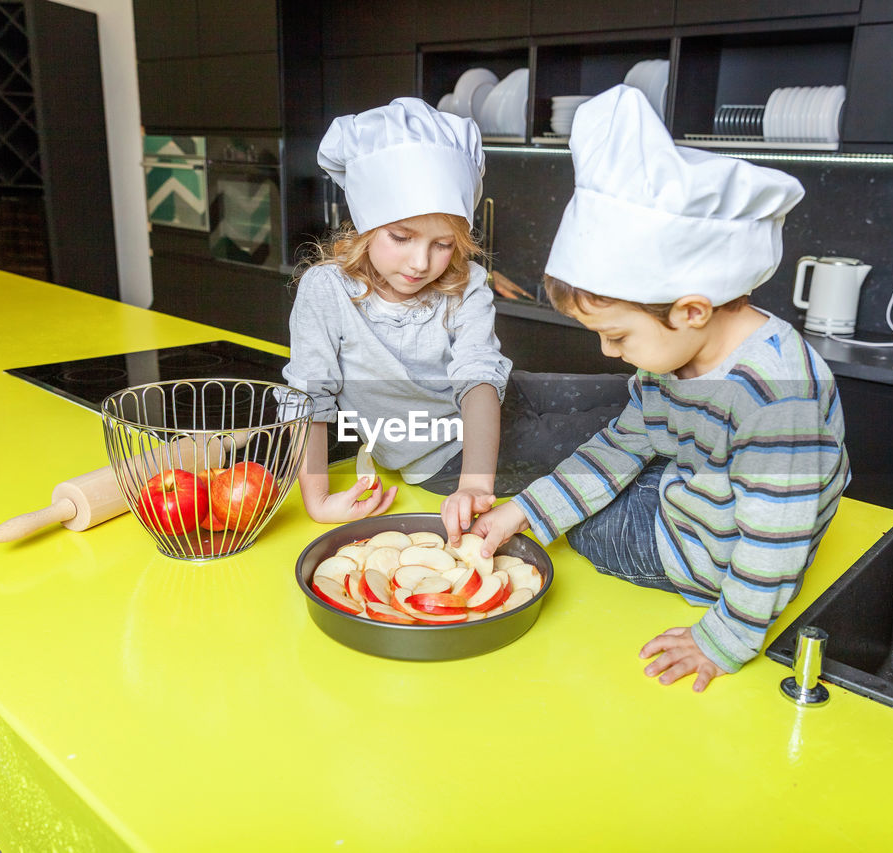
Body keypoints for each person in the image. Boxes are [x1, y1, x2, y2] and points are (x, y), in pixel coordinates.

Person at [472, 85, 851, 693]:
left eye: (618, 335)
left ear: (693, 310)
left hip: (712, 561)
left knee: (588, 525)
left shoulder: (778, 399)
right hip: (707, 505)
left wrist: (721, 638)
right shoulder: (676, 357)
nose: (608, 351)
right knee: (591, 469)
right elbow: (622, 444)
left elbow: (774, 543)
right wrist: (524, 511)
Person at [282, 97, 511, 540]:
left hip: (484, 431)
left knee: (630, 403)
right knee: (616, 446)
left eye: (443, 244)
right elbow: (310, 394)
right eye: (401, 237)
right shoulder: (327, 290)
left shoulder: (468, 283)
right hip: (445, 459)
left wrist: (475, 487)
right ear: (366, 225)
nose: (420, 263)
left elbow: (479, 376)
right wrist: (318, 501)